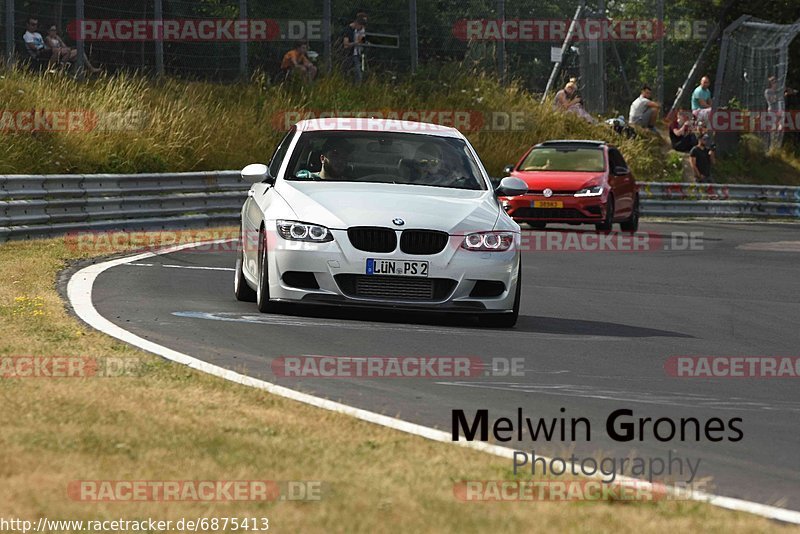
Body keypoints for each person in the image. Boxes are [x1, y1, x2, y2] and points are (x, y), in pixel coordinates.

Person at [342, 12, 368, 84]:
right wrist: (355, 43)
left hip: (358, 53)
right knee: (350, 71)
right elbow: (346, 44)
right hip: (349, 53)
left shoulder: (361, 29)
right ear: (357, 23)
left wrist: (362, 41)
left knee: (359, 71)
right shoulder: (348, 30)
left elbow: (362, 39)